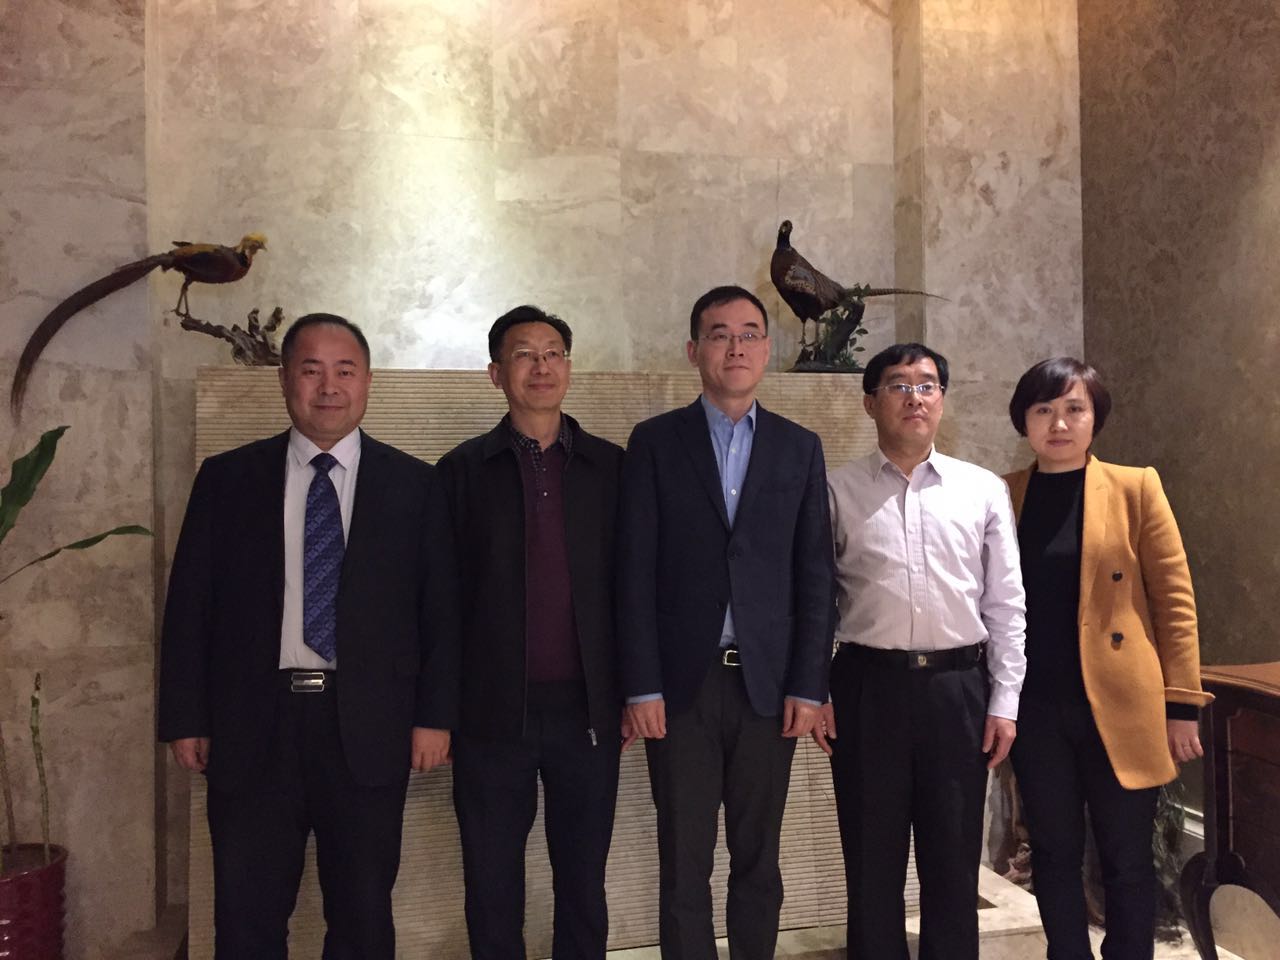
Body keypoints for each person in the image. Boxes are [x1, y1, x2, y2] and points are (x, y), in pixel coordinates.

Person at [158, 313, 459, 959]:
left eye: (345, 370)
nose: (329, 386)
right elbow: (190, 606)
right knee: (246, 917)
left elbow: (440, 614)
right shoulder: (228, 478)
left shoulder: (415, 485)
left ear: (367, 382)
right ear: (284, 380)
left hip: (368, 727)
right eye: (311, 369)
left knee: (362, 917)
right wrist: (186, 717)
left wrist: (435, 718)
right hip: (252, 725)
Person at [617, 284, 835, 960]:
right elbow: (633, 572)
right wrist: (641, 685)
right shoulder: (655, 443)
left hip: (768, 690)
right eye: (719, 334)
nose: (734, 347)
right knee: (684, 862)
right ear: (694, 351)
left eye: (748, 334)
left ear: (766, 350)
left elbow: (816, 575)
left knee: (759, 859)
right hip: (681, 690)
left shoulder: (799, 448)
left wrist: (809, 684)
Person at [816, 341, 1027, 960]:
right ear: (870, 402)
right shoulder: (835, 490)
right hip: (866, 687)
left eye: (928, 385)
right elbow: (814, 601)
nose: (915, 397)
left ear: (942, 399)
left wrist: (1005, 700)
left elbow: (1005, 603)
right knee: (871, 862)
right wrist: (815, 688)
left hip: (958, 690)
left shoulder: (981, 490)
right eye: (899, 385)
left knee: (954, 862)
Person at [1002, 357, 1212, 960]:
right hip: (1035, 707)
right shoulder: (1004, 493)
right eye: (1044, 410)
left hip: (1123, 705)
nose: (1059, 423)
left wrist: (1182, 706)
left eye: (1075, 409)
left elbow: (1175, 601)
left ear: (1095, 418)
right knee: (1052, 851)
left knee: (1126, 856)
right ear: (1024, 420)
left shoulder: (1134, 487)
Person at [436, 305, 628, 960]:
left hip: (588, 714)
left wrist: (633, 691)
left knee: (583, 881)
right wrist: (441, 711)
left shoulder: (611, 468)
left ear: (568, 368)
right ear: (496, 373)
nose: (540, 366)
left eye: (552, 353)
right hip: (490, 716)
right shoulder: (461, 472)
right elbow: (441, 603)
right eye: (523, 354)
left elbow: (633, 590)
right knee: (492, 884)